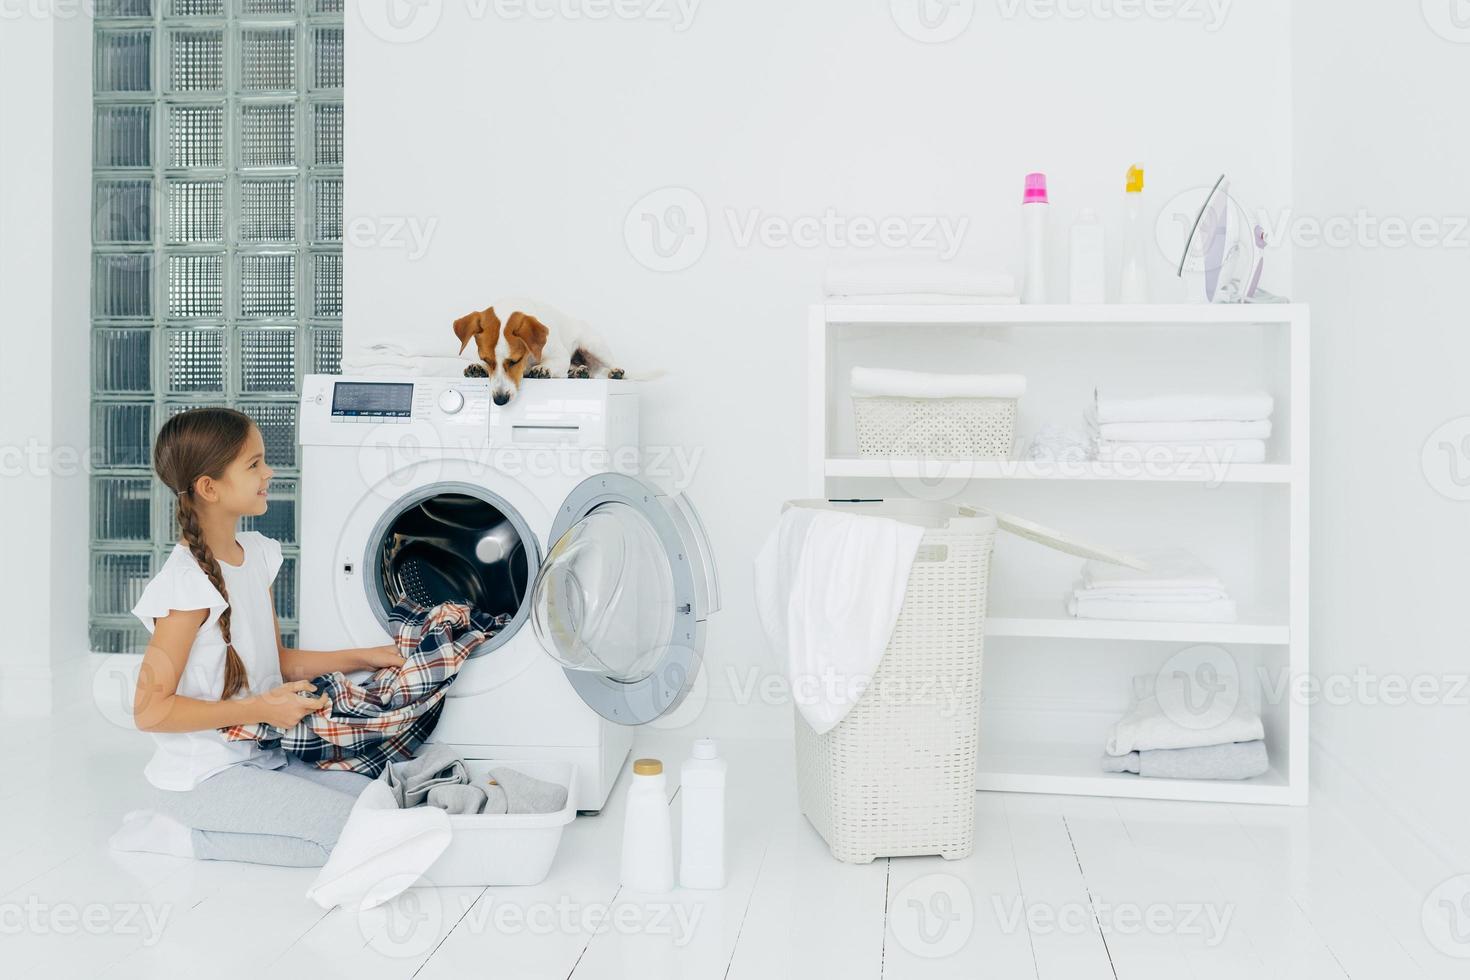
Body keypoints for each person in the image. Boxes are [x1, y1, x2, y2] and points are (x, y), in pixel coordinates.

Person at [109, 407, 404, 867]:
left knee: (381, 798)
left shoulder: (257, 555)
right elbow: (149, 710)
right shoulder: (187, 587)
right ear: (210, 487)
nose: (270, 472)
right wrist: (259, 708)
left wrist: (365, 656)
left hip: (262, 756)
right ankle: (177, 836)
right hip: (204, 779)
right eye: (254, 464)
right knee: (356, 835)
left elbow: (275, 661)